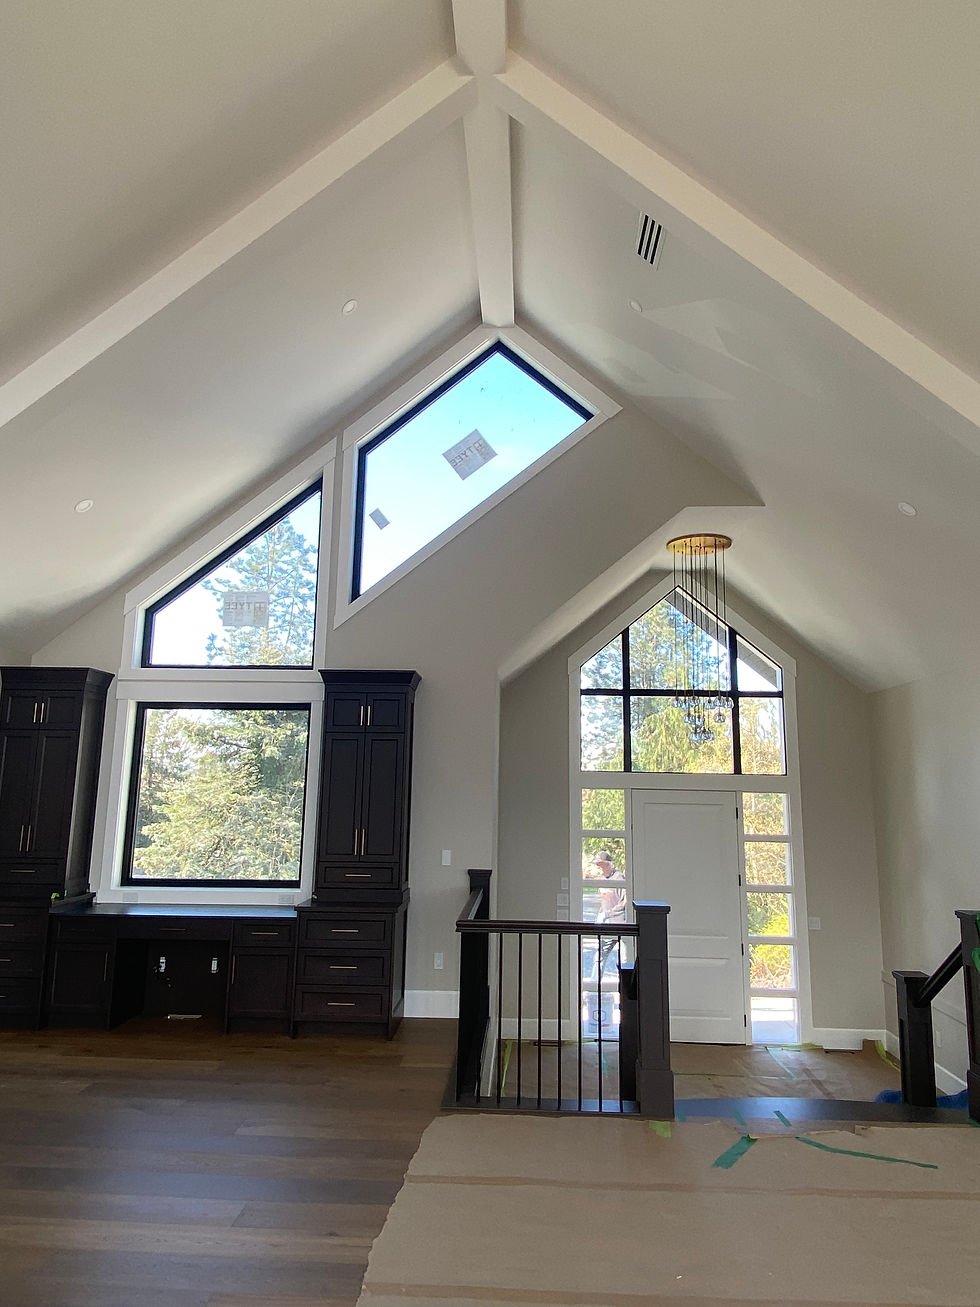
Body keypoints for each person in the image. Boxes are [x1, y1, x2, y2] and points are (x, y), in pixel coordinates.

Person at [585, 850, 627, 980]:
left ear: (607, 864)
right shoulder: (601, 880)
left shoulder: (619, 878)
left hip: (621, 924)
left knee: (625, 959)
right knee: (600, 957)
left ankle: (625, 989)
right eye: (596, 864)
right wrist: (600, 916)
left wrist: (609, 913)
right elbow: (604, 902)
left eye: (599, 864)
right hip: (607, 925)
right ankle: (593, 986)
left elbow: (624, 901)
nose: (597, 867)